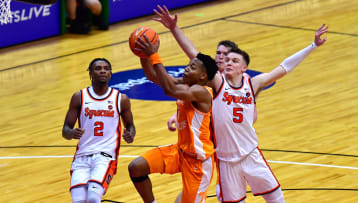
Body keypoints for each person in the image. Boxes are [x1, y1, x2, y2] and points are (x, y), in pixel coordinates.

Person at [152, 5, 328, 203]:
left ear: (244, 68)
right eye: (227, 59)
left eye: (234, 60)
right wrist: (174, 29)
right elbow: (194, 54)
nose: (228, 62)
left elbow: (284, 67)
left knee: (277, 199)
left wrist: (312, 46)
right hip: (226, 161)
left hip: (251, 154)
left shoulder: (253, 84)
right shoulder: (218, 83)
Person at [128, 34, 218, 203]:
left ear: (202, 76)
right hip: (180, 152)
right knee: (136, 168)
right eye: (187, 65)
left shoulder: (201, 92)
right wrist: (144, 55)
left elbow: (169, 90)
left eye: (192, 68)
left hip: (198, 163)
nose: (186, 69)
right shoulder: (184, 84)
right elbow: (153, 76)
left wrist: (155, 55)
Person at [62, 58, 136, 203]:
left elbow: (131, 126)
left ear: (110, 73)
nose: (103, 70)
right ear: (90, 73)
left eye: (106, 68)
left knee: (93, 198)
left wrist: (130, 135)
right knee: (78, 200)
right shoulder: (79, 97)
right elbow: (65, 129)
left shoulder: (120, 99)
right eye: (98, 68)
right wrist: (71, 133)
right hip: (82, 156)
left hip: (105, 156)